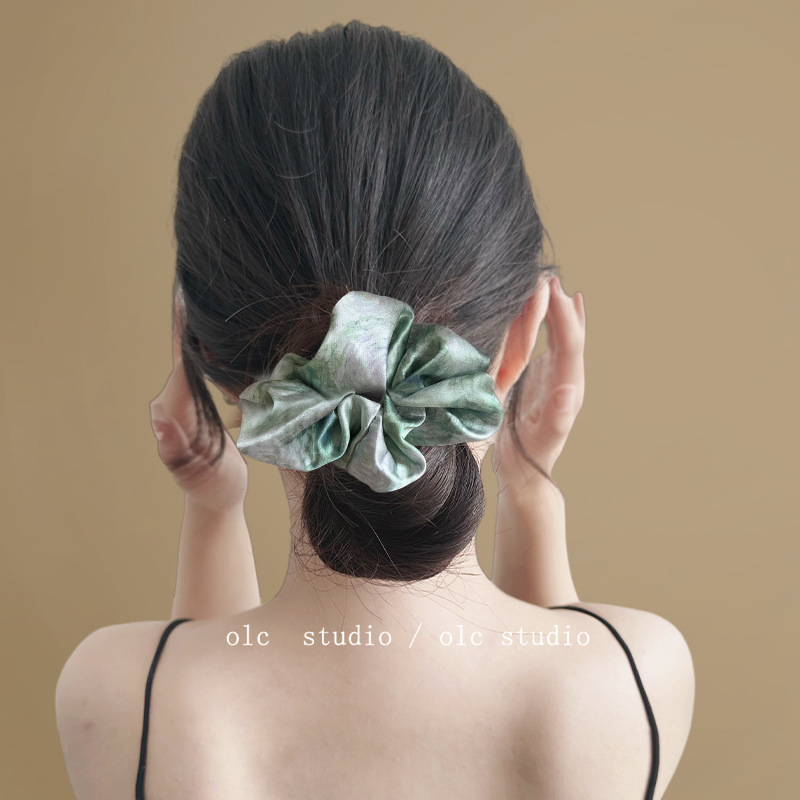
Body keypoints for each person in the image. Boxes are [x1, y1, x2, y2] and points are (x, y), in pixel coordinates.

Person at [55, 20, 694, 800]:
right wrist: (528, 484)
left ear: (216, 363)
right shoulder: (639, 675)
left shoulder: (119, 695)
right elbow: (560, 666)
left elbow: (198, 683)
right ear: (520, 340)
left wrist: (213, 509)